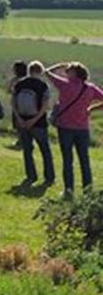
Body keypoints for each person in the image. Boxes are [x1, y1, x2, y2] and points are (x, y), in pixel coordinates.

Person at [46, 62, 103, 199]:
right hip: (83, 128)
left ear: (75, 73)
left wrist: (59, 65)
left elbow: (47, 72)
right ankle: (88, 190)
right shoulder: (90, 88)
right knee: (84, 160)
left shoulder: (65, 85)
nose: (66, 73)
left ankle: (69, 190)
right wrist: (91, 109)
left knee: (67, 160)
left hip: (65, 127)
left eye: (68, 71)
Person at [13, 61, 54, 185]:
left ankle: (31, 176)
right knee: (45, 151)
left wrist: (19, 119)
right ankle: (49, 177)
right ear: (40, 72)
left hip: (22, 121)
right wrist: (34, 119)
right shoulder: (43, 85)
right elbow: (45, 106)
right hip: (38, 123)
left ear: (29, 71)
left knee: (27, 150)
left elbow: (13, 103)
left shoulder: (19, 84)